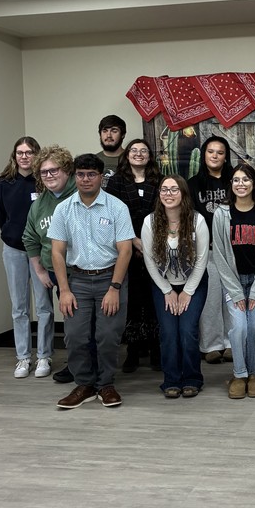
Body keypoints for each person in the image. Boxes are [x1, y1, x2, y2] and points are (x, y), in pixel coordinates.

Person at [49, 153, 134, 410]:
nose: (86, 179)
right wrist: (64, 290)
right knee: (75, 336)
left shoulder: (117, 207)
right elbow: (57, 251)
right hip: (78, 281)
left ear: (101, 178)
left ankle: (106, 384)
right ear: (75, 177)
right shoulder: (63, 209)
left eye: (91, 174)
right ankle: (84, 385)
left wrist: (114, 288)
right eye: (81, 174)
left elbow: (126, 250)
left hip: (111, 278)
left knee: (107, 336)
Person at [212, 164, 255, 400]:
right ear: (231, 184)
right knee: (238, 328)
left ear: (254, 184)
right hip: (233, 282)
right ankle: (239, 374)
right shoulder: (222, 214)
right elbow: (218, 253)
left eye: (246, 180)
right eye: (236, 180)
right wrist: (236, 292)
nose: (241, 184)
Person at [142, 174, 209, 399]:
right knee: (169, 332)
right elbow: (150, 261)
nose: (168, 194)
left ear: (183, 194)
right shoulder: (150, 222)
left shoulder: (197, 220)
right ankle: (171, 379)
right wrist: (168, 291)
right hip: (163, 285)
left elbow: (201, 260)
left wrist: (188, 292)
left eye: (173, 190)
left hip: (194, 283)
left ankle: (192, 378)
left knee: (187, 331)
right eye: (164, 189)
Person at [0, 136, 53, 379]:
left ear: (37, 154)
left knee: (44, 306)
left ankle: (44, 356)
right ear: (14, 155)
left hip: (40, 253)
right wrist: (11, 235)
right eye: (20, 152)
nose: (25, 156)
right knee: (19, 307)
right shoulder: (3, 184)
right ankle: (23, 358)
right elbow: (2, 216)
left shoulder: (44, 183)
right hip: (14, 250)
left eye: (29, 152)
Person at [22, 145, 77, 382]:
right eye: (44, 172)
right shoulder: (38, 205)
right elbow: (30, 238)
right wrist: (40, 270)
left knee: (82, 323)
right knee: (70, 321)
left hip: (82, 272)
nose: (49, 176)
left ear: (66, 170)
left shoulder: (80, 195)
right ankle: (76, 364)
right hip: (55, 272)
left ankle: (89, 366)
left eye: (54, 170)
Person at [106, 139, 160, 373]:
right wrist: (133, 242)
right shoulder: (117, 182)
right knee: (132, 302)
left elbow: (166, 212)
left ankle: (157, 349)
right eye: (134, 151)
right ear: (126, 155)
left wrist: (148, 243)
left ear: (150, 156)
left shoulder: (159, 180)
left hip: (156, 248)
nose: (138, 154)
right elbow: (111, 216)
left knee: (154, 299)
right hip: (125, 249)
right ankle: (134, 350)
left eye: (143, 151)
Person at [188, 136, 234, 364]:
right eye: (210, 152)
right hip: (206, 249)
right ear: (204, 155)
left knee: (232, 296)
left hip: (232, 248)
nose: (215, 156)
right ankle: (211, 345)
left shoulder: (235, 181)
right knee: (211, 298)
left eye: (220, 152)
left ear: (226, 157)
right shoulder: (193, 184)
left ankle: (230, 343)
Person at [97, 114, 127, 187]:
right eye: (105, 131)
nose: (108, 135)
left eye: (114, 131)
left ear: (123, 134)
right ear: (100, 134)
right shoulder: (93, 160)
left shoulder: (132, 159)